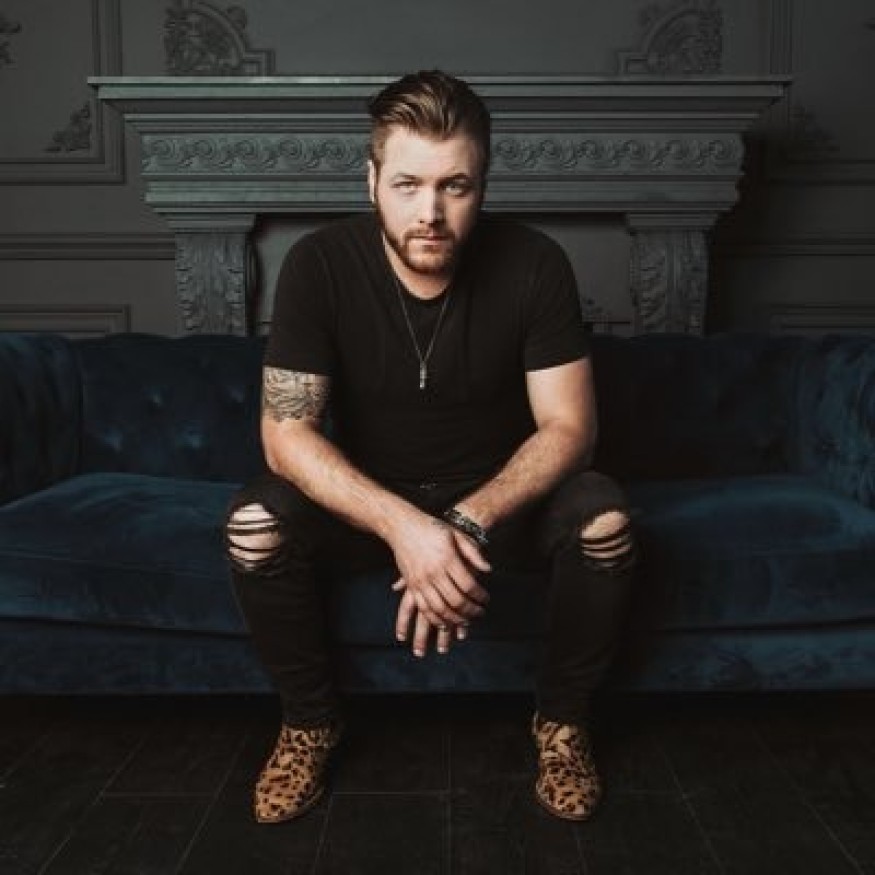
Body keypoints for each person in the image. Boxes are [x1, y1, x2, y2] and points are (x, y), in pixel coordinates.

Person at [225, 70, 636, 825]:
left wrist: (466, 521)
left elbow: (569, 429)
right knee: (254, 525)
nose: (430, 213)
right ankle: (309, 722)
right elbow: (286, 434)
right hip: (367, 508)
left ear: (483, 184)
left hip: (500, 508)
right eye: (408, 184)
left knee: (604, 520)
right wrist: (405, 528)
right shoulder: (318, 264)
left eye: (456, 186)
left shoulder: (535, 262)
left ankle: (562, 722)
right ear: (371, 180)